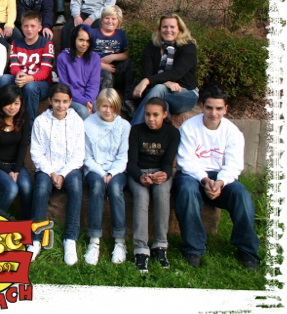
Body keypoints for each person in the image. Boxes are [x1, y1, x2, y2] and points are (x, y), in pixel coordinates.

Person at [174, 86, 261, 270]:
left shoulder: (233, 132)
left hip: (221, 177)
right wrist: (206, 181)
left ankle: (247, 250)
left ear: (225, 109)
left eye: (219, 108)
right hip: (192, 175)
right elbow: (186, 161)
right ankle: (193, 249)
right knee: (187, 191)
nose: (214, 113)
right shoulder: (189, 127)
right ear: (202, 107)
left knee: (241, 194)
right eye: (209, 108)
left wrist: (219, 183)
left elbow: (234, 165)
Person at [28, 84, 85, 265]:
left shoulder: (77, 121)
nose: (61, 105)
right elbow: (36, 152)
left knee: (75, 187)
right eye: (57, 101)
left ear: (70, 101)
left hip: (70, 167)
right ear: (50, 101)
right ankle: (36, 239)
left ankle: (70, 238)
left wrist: (63, 174)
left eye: (65, 101)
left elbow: (79, 153)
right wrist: (52, 173)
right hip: (47, 168)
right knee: (41, 189)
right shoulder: (41, 121)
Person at [127, 97, 180, 272]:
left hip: (160, 172)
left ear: (165, 114)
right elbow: (131, 163)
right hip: (139, 173)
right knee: (141, 196)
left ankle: (160, 245)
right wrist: (140, 177)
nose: (151, 119)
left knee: (162, 193)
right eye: (147, 114)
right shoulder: (136, 131)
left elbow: (168, 163)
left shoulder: (172, 133)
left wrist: (165, 174)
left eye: (156, 115)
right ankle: (141, 249)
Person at [83, 88, 130, 265]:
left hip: (117, 170)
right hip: (94, 169)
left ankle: (120, 241)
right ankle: (94, 240)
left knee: (116, 188)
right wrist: (102, 174)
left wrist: (111, 173)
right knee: (97, 186)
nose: (108, 110)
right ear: (97, 105)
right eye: (104, 106)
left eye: (112, 106)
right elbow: (87, 156)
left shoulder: (124, 126)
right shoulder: (88, 124)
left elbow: (123, 156)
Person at [131, 12, 199, 125]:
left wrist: (148, 81)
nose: (168, 30)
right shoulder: (152, 47)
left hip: (185, 94)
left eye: (172, 27)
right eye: (165, 27)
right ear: (159, 29)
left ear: (179, 29)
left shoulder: (188, 47)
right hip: (159, 93)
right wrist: (166, 82)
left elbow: (176, 73)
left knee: (159, 89)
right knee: (161, 105)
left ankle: (133, 130)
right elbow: (147, 73)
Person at [0, 84, 32, 219]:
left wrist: (16, 170)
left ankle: (26, 224)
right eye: (8, 103)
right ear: (1, 102)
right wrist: (8, 171)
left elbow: (23, 146)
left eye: (16, 103)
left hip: (16, 165)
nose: (12, 107)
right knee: (11, 189)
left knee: (26, 187)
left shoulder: (24, 116)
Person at [0, 10, 54, 128]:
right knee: (4, 79)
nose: (29, 29)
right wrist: (19, 74)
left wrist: (30, 78)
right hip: (21, 79)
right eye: (26, 26)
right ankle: (3, 119)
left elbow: (45, 71)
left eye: (33, 26)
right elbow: (13, 66)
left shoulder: (47, 44)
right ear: (21, 27)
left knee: (30, 87)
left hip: (41, 83)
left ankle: (28, 127)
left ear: (39, 28)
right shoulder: (16, 43)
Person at [89, 5, 136, 114]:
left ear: (118, 21)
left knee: (132, 63)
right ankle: (105, 104)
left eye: (114, 18)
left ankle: (129, 100)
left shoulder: (122, 34)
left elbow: (128, 54)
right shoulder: (93, 33)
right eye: (107, 18)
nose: (110, 21)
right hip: (98, 70)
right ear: (102, 19)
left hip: (117, 69)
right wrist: (101, 65)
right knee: (106, 74)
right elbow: (85, 54)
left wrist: (113, 56)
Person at [55, 24, 101, 120]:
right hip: (71, 97)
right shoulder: (62, 58)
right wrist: (84, 102)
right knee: (83, 111)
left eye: (88, 41)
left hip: (90, 97)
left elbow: (94, 84)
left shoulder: (95, 58)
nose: (84, 44)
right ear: (74, 39)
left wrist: (88, 101)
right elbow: (65, 85)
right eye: (81, 40)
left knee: (101, 109)